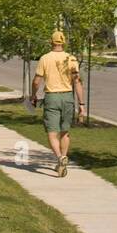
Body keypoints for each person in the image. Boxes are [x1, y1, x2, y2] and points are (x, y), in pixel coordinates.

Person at [31, 29, 86, 176]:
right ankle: (61, 163)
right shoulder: (71, 59)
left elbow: (37, 81)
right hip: (68, 97)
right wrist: (82, 105)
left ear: (51, 42)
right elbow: (78, 82)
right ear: (64, 42)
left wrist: (33, 95)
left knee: (51, 132)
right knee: (65, 132)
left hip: (52, 97)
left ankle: (60, 158)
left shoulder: (45, 58)